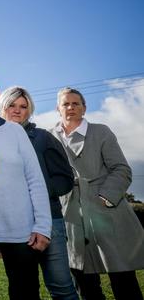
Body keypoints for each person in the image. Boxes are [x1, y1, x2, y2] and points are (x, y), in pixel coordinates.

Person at [51, 87, 144, 300]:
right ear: (58, 108)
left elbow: (122, 169)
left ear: (84, 108)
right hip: (71, 216)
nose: (71, 107)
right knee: (84, 283)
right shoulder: (50, 136)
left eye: (76, 103)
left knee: (123, 280)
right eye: (66, 103)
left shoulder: (101, 131)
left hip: (107, 213)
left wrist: (105, 197)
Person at [0, 72, 51, 300]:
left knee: (25, 293)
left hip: (20, 231)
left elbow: (35, 179)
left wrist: (43, 226)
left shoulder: (14, 131)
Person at [0, 86, 78, 300]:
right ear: (2, 107)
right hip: (16, 226)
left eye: (23, 107)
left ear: (29, 111)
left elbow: (64, 179)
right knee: (23, 288)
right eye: (12, 105)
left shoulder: (43, 138)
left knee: (61, 286)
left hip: (50, 221)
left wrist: (36, 191)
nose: (17, 110)